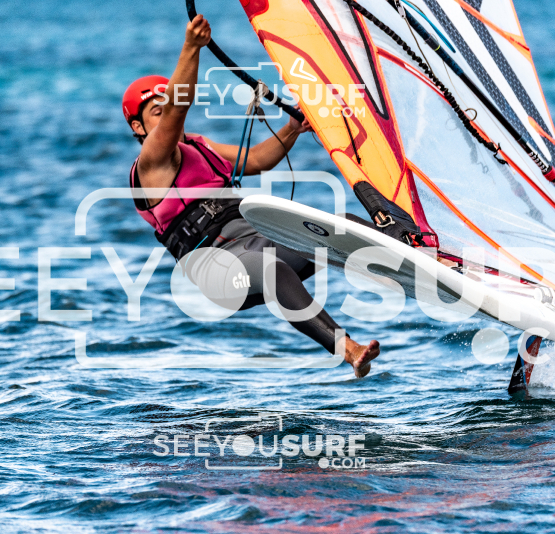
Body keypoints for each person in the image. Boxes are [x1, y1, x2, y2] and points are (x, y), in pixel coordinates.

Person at [123, 14, 380, 377]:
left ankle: (431, 261)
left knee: (345, 229)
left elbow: (257, 160)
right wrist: (191, 47)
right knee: (273, 272)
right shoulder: (150, 166)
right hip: (215, 266)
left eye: (167, 107)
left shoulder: (198, 145)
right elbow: (177, 110)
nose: (167, 116)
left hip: (256, 240)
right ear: (138, 126)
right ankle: (348, 349)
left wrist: (291, 129)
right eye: (156, 112)